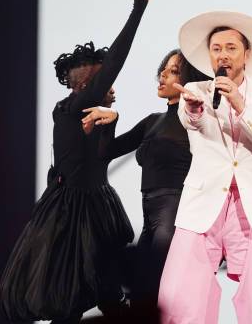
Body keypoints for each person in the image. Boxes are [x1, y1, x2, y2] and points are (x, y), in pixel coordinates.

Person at [0, 0, 153, 323]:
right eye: (103, 79)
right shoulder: (76, 107)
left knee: (103, 293)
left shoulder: (94, 112)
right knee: (69, 297)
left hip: (96, 203)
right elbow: (116, 61)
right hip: (75, 216)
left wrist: (116, 123)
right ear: (88, 83)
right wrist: (138, 10)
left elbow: (102, 156)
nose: (111, 84)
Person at [157, 11, 252, 323]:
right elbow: (194, 122)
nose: (223, 55)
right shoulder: (197, 90)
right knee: (182, 300)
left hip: (250, 208)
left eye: (231, 48)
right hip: (203, 204)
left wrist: (242, 107)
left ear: (247, 54)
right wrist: (191, 111)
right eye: (216, 48)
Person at [80, 49, 210, 322]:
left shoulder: (198, 122)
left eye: (173, 71)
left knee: (156, 292)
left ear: (190, 79)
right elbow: (106, 152)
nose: (162, 74)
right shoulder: (153, 121)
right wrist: (111, 120)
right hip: (150, 219)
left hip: (173, 215)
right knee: (139, 296)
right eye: (164, 68)